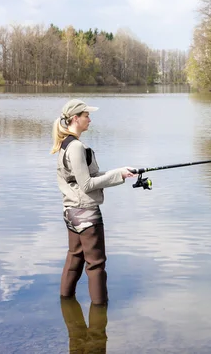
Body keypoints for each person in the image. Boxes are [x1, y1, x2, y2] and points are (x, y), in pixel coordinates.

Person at [51, 99, 135, 305]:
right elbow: (88, 184)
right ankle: (99, 318)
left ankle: (66, 304)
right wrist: (119, 177)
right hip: (86, 213)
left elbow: (90, 176)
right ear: (75, 118)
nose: (90, 119)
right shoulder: (76, 147)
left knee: (75, 258)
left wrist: (121, 171)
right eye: (86, 115)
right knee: (96, 265)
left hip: (71, 212)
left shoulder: (66, 144)